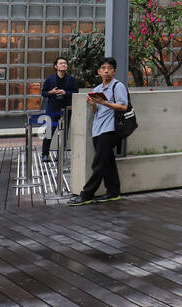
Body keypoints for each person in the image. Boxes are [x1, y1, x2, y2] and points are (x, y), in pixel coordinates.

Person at [68, 57, 128, 205]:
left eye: (109, 68)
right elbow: (96, 111)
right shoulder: (97, 89)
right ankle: (113, 192)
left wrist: (104, 102)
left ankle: (87, 194)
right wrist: (93, 104)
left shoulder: (118, 86)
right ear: (99, 71)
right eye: (103, 68)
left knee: (99, 164)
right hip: (97, 129)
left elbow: (124, 107)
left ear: (114, 71)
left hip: (110, 129)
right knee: (107, 162)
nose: (106, 71)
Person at [40, 57, 79, 160]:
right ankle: (45, 154)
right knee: (49, 132)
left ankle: (60, 154)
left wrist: (65, 92)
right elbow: (43, 93)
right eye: (61, 63)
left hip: (66, 109)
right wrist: (51, 92)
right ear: (56, 66)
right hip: (52, 109)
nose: (63, 65)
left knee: (64, 133)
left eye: (65, 63)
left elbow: (76, 92)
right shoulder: (49, 79)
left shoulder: (71, 79)